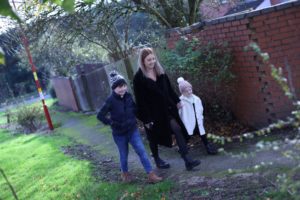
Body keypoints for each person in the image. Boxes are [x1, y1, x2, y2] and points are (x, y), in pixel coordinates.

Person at [133, 47, 200, 171]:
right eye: (149, 60)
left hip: (166, 110)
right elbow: (140, 101)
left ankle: (187, 160)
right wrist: (146, 119)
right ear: (142, 61)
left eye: (153, 59)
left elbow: (169, 89)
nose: (152, 62)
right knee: (153, 138)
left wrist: (177, 101)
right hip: (151, 114)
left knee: (177, 129)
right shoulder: (138, 78)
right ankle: (157, 159)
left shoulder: (160, 71)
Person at [97, 71, 162, 183]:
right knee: (123, 155)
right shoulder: (110, 100)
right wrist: (112, 123)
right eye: (119, 87)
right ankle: (125, 174)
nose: (122, 89)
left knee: (142, 151)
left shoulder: (129, 96)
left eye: (123, 86)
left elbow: (135, 110)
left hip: (132, 131)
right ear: (113, 88)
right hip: (119, 134)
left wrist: (145, 120)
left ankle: (151, 175)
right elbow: (100, 115)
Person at [177, 77, 218, 155]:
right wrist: (180, 122)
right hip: (187, 122)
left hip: (198, 121)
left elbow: (200, 109)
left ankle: (208, 147)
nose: (189, 92)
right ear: (182, 92)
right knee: (187, 136)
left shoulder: (196, 99)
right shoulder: (180, 101)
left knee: (203, 135)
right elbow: (178, 113)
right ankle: (182, 148)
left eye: (190, 90)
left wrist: (201, 118)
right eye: (186, 91)